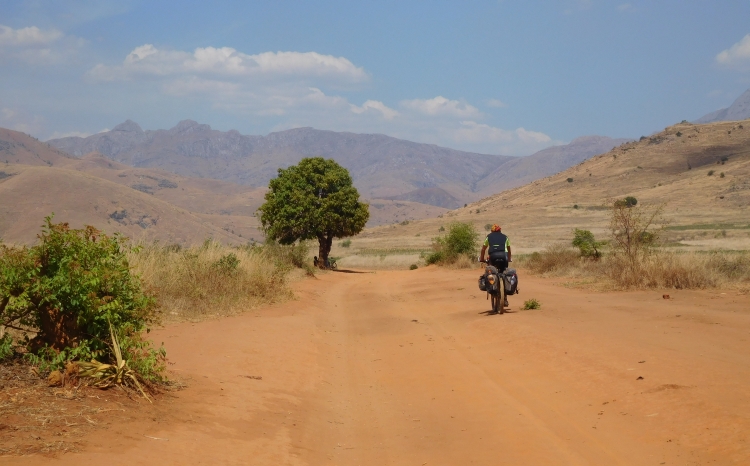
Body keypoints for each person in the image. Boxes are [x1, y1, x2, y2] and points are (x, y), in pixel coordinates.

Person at [479, 224, 512, 305]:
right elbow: (509, 249)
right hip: (504, 256)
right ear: (500, 230)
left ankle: (492, 288)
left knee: (491, 271)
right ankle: (505, 298)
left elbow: (483, 249)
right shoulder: (505, 237)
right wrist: (509, 258)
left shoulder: (489, 236)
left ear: (492, 230)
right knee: (504, 272)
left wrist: (482, 259)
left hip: (493, 256)